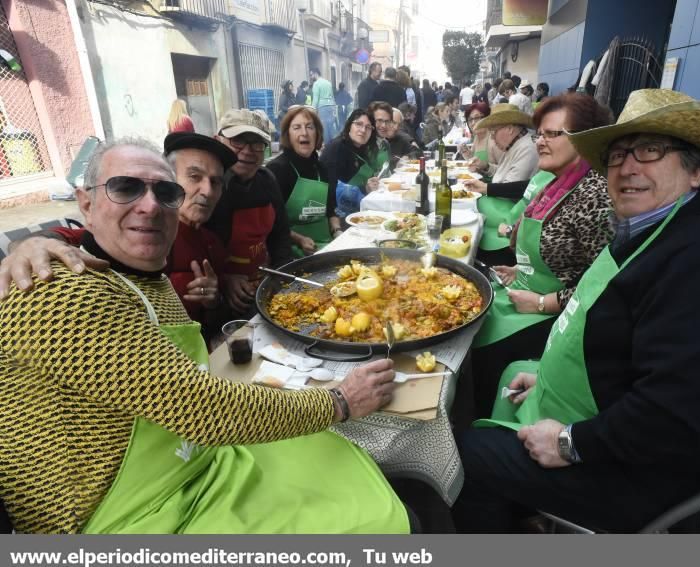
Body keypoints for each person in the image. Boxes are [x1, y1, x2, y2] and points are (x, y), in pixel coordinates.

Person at [0, 138, 411, 534]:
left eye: (165, 193)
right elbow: (201, 408)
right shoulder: (60, 291)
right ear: (86, 202)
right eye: (125, 188)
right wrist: (339, 401)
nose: (150, 205)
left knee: (330, 459)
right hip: (121, 520)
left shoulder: (145, 276)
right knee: (364, 518)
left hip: (193, 463)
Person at [454, 89, 700, 533]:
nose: (627, 166)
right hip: (615, 426)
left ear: (697, 170)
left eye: (650, 150)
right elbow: (611, 337)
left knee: (469, 453)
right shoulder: (648, 232)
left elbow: (669, 417)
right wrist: (549, 381)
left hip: (643, 472)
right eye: (618, 153)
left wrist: (568, 441)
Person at [5, 133, 237, 342]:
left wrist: (213, 301)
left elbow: (215, 322)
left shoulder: (211, 242)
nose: (207, 190)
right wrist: (30, 245)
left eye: (215, 182)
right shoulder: (66, 291)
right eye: (195, 176)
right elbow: (66, 239)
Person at [470, 94, 615, 417]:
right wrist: (518, 268)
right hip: (528, 290)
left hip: (560, 316)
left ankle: (487, 425)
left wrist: (541, 302)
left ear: (586, 139)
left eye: (553, 134)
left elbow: (602, 287)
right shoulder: (554, 181)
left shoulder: (596, 195)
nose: (541, 142)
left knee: (487, 347)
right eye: (541, 134)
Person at [211, 109, 293, 315]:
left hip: (264, 285)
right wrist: (224, 280)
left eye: (256, 143)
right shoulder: (208, 189)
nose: (247, 151)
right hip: (221, 300)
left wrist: (280, 277)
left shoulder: (267, 180)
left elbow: (281, 235)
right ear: (219, 141)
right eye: (238, 140)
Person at [265, 106, 341, 258]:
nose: (304, 133)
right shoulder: (277, 169)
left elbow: (331, 210)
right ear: (288, 134)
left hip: (326, 245)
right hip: (291, 250)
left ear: (317, 133)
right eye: (296, 127)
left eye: (309, 127)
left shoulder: (321, 168)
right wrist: (299, 239)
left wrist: (337, 231)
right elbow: (271, 223)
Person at [320, 109, 381, 222]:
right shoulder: (337, 148)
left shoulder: (362, 148)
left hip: (357, 208)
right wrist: (365, 188)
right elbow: (330, 189)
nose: (363, 130)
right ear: (349, 125)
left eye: (368, 127)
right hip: (336, 215)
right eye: (359, 124)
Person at [309, 68, 337, 144]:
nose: (311, 77)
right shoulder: (328, 83)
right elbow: (332, 97)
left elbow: (315, 99)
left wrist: (312, 111)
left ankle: (328, 147)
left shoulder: (316, 84)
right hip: (330, 106)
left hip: (322, 107)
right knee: (331, 126)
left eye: (311, 75)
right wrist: (334, 108)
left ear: (316, 73)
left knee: (324, 128)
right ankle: (334, 145)